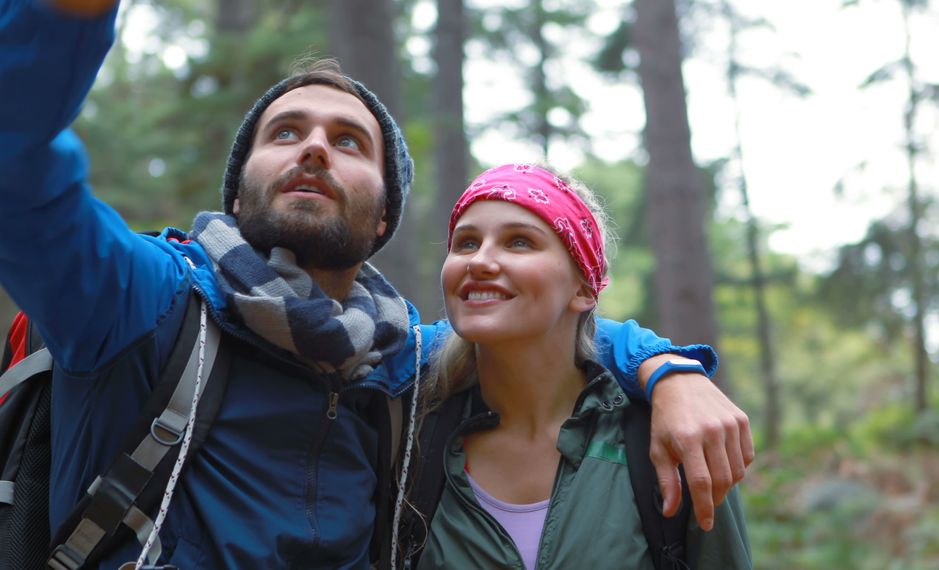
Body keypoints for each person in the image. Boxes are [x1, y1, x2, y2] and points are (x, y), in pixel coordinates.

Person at [0, 1, 752, 568]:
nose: (317, 148)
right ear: (237, 194)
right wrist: (63, 18)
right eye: (286, 133)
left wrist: (669, 369)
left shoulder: (394, 363)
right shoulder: (144, 300)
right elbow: (14, 166)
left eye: (349, 141)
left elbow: (537, 333)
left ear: (385, 209)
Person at [396, 164, 752, 569]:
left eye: (518, 242)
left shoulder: (672, 436)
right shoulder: (407, 431)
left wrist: (671, 373)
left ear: (584, 288)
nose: (480, 260)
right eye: (466, 243)